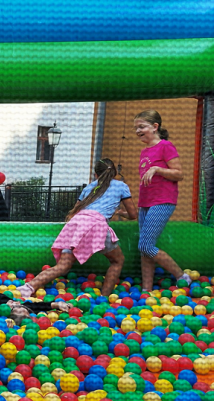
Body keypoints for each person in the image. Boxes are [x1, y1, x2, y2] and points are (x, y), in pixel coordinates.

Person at [19, 159, 138, 299]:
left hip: (77, 224)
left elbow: (76, 210)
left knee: (62, 267)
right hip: (96, 226)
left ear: (95, 174)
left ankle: (28, 287)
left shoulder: (89, 188)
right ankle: (104, 298)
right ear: (115, 173)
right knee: (117, 261)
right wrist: (122, 213)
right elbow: (133, 215)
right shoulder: (121, 186)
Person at [134, 110, 191, 291]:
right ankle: (146, 290)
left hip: (163, 201)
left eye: (142, 126)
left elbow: (179, 174)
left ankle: (182, 276)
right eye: (136, 128)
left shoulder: (166, 146)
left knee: (145, 245)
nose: (138, 131)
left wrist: (158, 169)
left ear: (155, 127)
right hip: (145, 202)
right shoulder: (144, 151)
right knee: (145, 250)